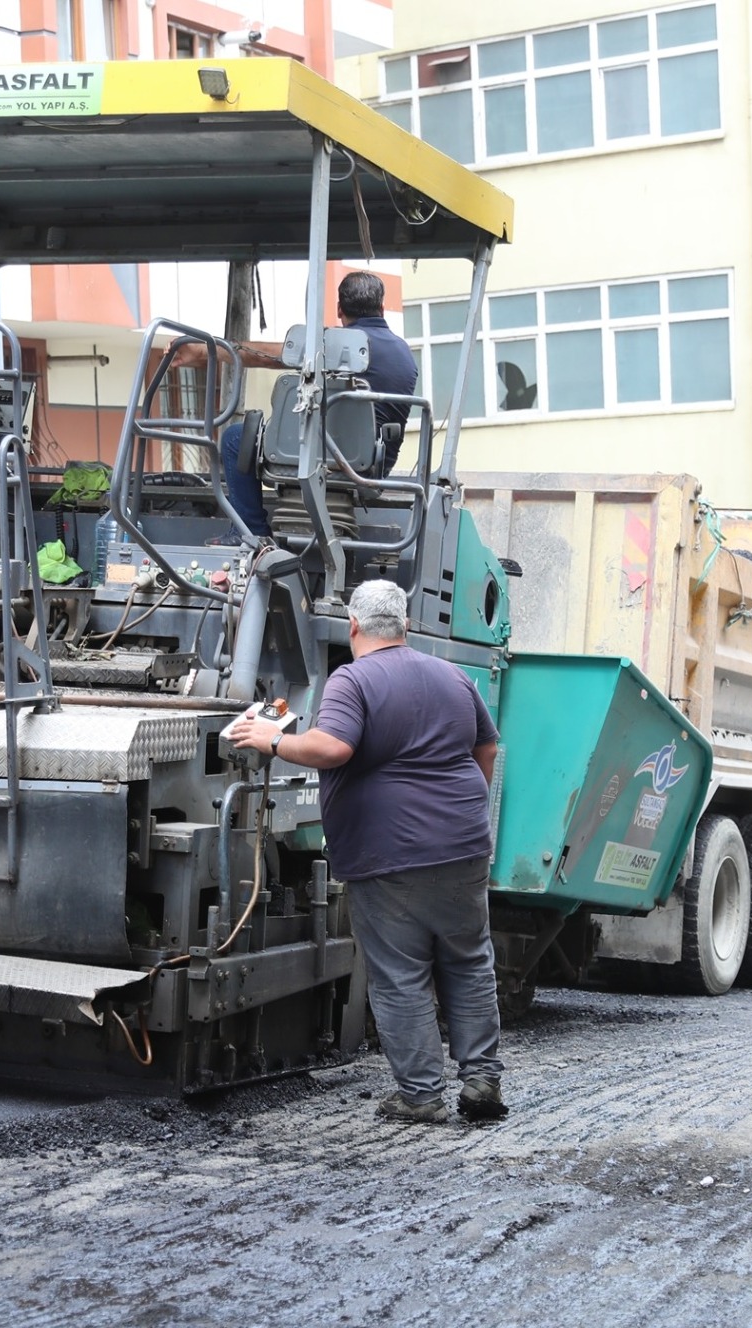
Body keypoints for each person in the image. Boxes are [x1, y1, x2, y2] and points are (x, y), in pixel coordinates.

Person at [226, 579, 506, 1124]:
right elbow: (487, 746)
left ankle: (421, 1096)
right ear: (404, 626)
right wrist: (462, 806)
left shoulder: (353, 680)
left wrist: (273, 739)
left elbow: (333, 747)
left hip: (391, 854)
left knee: (400, 972)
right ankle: (481, 1084)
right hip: (464, 846)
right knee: (470, 961)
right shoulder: (452, 676)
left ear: (353, 627)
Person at [182, 271, 420, 536]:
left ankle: (250, 533)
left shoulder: (333, 346)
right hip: (371, 468)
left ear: (340, 309)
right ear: (382, 309)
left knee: (235, 438)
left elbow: (263, 356)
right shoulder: (404, 353)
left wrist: (204, 350)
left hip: (317, 459)